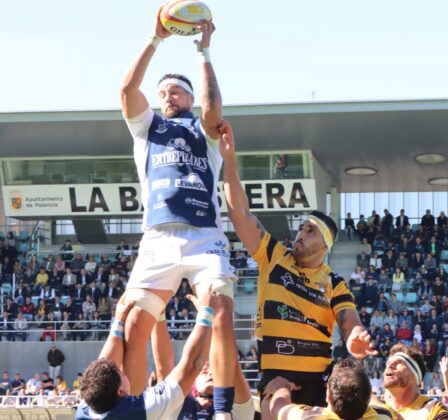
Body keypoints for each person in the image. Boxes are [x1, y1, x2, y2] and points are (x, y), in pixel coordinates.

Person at [119, 5, 236, 404]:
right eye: (163, 92)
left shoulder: (206, 130)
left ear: (189, 96)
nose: (167, 96)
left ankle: (222, 409)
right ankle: (134, 407)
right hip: (158, 239)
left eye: (175, 90)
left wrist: (203, 52)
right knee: (136, 324)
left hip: (204, 236)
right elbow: (126, 91)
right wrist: (155, 38)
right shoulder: (147, 127)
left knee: (219, 308)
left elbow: (212, 106)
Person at [219, 121, 376, 414]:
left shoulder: (334, 282)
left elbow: (348, 320)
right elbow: (240, 214)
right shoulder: (273, 255)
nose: (300, 234)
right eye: (301, 228)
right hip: (276, 376)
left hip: (320, 380)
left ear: (325, 246)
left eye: (309, 231)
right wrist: (229, 161)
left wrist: (355, 336)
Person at [75, 285, 219, 419]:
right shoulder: (139, 411)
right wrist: (207, 312)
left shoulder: (88, 407)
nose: (122, 366)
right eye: (121, 372)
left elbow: (103, 364)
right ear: (121, 392)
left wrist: (119, 322)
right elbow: (191, 365)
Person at [266, 358, 398, 419]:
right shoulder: (385, 416)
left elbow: (278, 408)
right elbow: (379, 405)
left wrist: (281, 388)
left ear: (328, 396)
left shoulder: (312, 417)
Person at [384, 344, 448, 419]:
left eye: (399, 362)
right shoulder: (374, 411)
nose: (390, 366)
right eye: (388, 363)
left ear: (415, 375)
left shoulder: (433, 410)